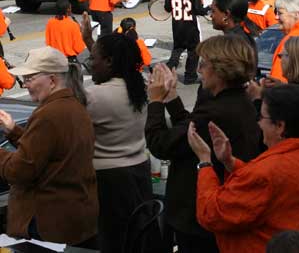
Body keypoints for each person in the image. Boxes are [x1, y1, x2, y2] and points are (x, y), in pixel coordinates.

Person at [187, 84, 299, 253]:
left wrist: (204, 162)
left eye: (261, 116)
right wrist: (230, 162)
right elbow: (271, 186)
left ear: (280, 127)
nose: (258, 122)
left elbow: (211, 214)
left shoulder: (269, 171)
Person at [145, 35, 262, 253]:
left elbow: (161, 144)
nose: (199, 70)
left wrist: (155, 102)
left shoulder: (217, 110)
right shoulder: (237, 101)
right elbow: (189, 130)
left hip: (197, 217)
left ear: (220, 70)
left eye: (203, 64)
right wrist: (171, 99)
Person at [0, 47, 98, 246]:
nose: (25, 85)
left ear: (52, 80)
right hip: (75, 214)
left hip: (50, 220)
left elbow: (19, 171)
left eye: (29, 79)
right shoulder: (73, 106)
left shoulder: (48, 114)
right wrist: (14, 132)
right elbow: (51, 151)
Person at [84, 33, 151, 253]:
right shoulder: (138, 87)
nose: (90, 65)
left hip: (108, 181)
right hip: (139, 173)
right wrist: (90, 42)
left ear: (110, 61)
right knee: (136, 238)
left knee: (112, 241)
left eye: (93, 59)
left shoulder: (94, 96)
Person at [165, 0, 206, 84]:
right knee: (193, 51)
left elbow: (167, 8)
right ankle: (190, 76)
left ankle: (167, 72)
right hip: (190, 27)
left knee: (177, 49)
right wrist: (207, 9)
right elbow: (198, 10)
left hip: (177, 26)